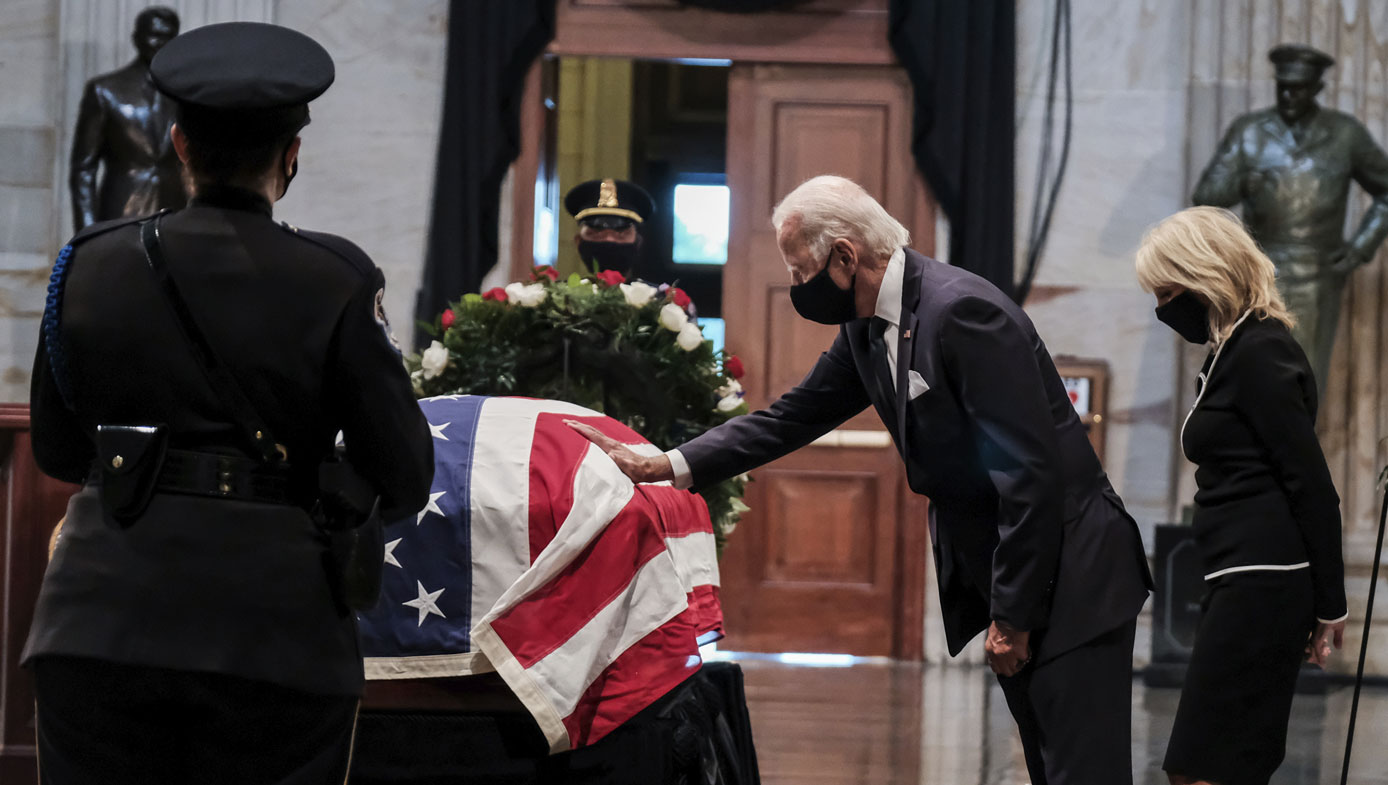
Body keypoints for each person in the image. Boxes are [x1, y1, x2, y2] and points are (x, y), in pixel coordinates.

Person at [570, 175, 1153, 785]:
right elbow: (791, 416)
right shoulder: (869, 324)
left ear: (845, 256)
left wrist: (1013, 616)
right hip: (1030, 573)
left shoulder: (961, 313)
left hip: (1072, 573)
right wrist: (666, 465)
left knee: (1081, 769)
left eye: (800, 271)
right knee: (1049, 765)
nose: (797, 287)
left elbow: (1029, 475)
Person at [24, 22, 434, 784]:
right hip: (273, 631)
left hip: (100, 618)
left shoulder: (88, 264)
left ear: (178, 145)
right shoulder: (336, 278)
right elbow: (405, 475)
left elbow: (55, 448)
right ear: (291, 154)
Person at [1134, 207, 1347, 785]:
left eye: (1166, 290)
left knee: (1208, 769)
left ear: (1203, 274)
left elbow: (1311, 483)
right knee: (1203, 767)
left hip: (1266, 581)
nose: (1161, 308)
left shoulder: (1260, 351)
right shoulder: (1232, 351)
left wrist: (1332, 605)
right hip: (1239, 577)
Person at [1192, 43, 1388, 392]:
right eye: (1282, 86)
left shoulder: (1344, 133)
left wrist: (1359, 249)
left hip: (1317, 275)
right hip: (1258, 275)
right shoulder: (1250, 131)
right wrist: (1243, 181)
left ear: (1316, 88)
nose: (1287, 95)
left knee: (1304, 379)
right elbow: (1206, 197)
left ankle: (1296, 446)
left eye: (1297, 88)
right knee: (1252, 378)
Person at [68, 6, 187, 231]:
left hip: (175, 215)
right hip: (121, 211)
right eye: (153, 35)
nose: (160, 43)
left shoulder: (185, 93)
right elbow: (83, 169)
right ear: (137, 38)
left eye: (168, 37)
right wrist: (87, 233)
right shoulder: (105, 91)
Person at [564, 178, 656, 277]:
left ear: (638, 243)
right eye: (596, 234)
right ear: (578, 241)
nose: (609, 239)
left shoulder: (658, 293)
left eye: (621, 234)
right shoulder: (551, 292)